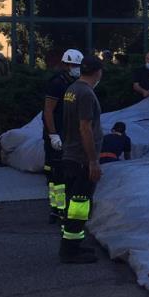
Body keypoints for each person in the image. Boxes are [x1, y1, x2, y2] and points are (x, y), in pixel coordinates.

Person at [59, 55, 105, 265]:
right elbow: (85, 128)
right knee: (79, 205)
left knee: (73, 203)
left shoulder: (72, 89)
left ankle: (73, 244)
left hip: (71, 153)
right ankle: (70, 251)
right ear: (98, 72)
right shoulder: (86, 93)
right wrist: (92, 161)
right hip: (81, 158)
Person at [42, 47, 84, 224]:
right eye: (73, 65)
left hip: (69, 134)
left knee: (66, 173)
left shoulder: (76, 83)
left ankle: (60, 208)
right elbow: (48, 111)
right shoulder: (57, 83)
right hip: (57, 135)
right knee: (56, 174)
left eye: (78, 65)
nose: (76, 68)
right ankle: (58, 209)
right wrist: (53, 135)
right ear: (66, 65)